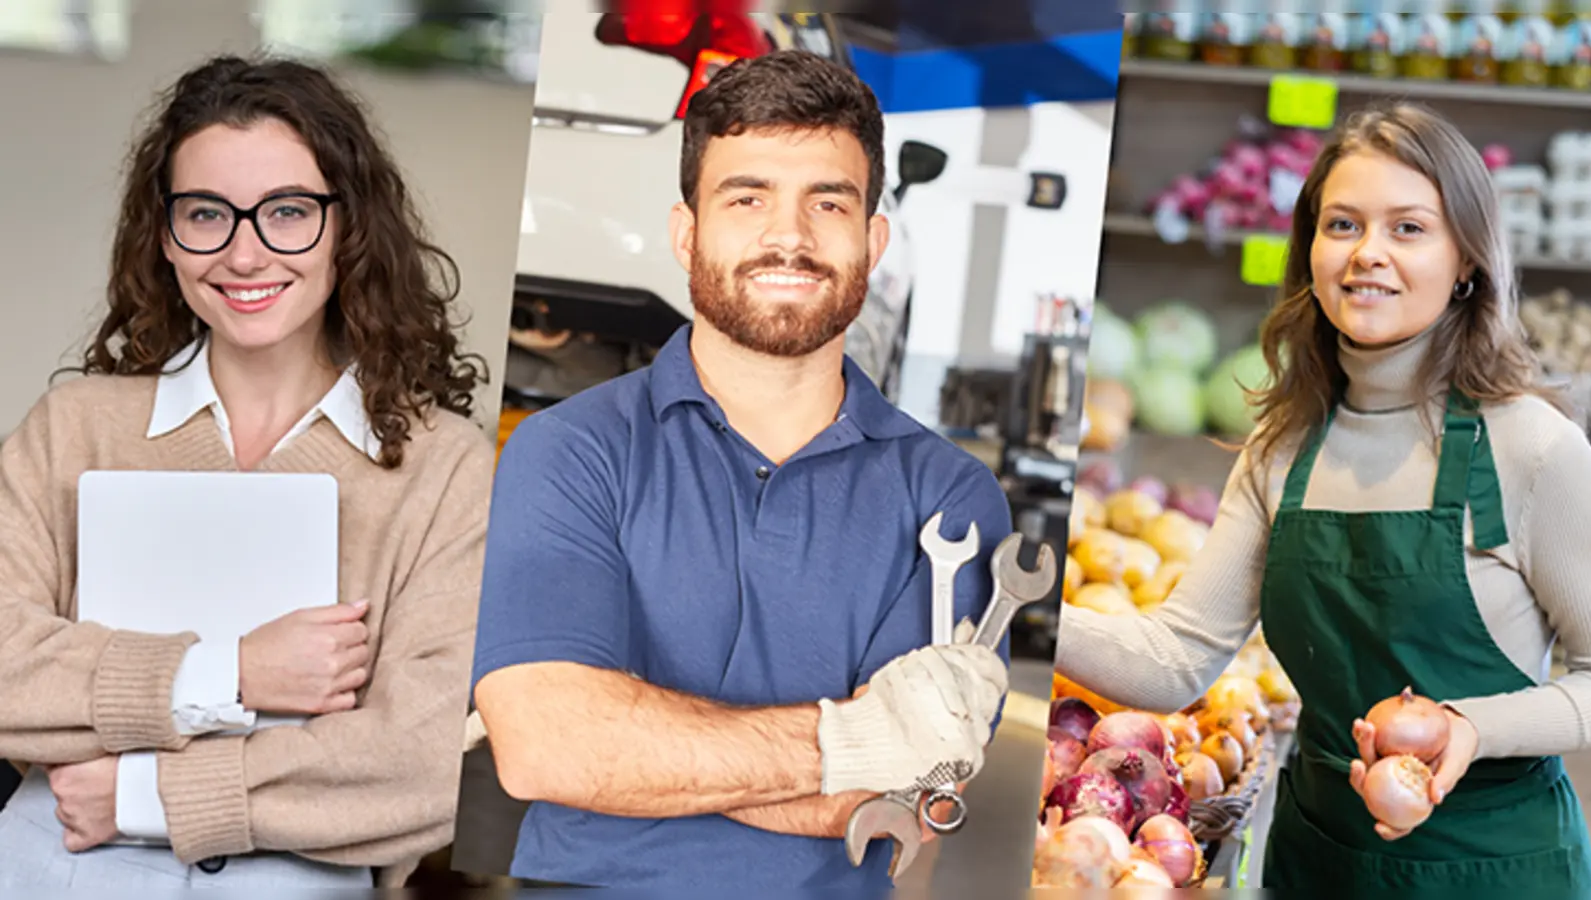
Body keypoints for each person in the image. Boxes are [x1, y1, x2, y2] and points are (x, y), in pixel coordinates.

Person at [470, 50, 1013, 890]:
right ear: (688, 232)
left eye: (826, 203)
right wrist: (852, 743)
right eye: (747, 197)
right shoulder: (567, 451)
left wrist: (636, 754)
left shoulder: (949, 499)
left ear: (873, 240)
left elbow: (910, 797)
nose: (787, 237)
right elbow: (547, 748)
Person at [1053, 102, 1591, 895]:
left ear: (1467, 262)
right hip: (1319, 862)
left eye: (1408, 229)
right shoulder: (1284, 448)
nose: (1367, 254)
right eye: (1342, 224)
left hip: (1495, 869)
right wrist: (1018, 612)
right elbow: (1176, 659)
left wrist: (1473, 729)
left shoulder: (1533, 449)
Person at [0, 55, 494, 888]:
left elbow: (423, 764)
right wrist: (231, 670)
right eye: (206, 214)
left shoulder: (445, 468)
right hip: (50, 864)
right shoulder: (73, 428)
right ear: (164, 234)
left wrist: (149, 792)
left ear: (349, 225)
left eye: (288, 211)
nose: (244, 252)